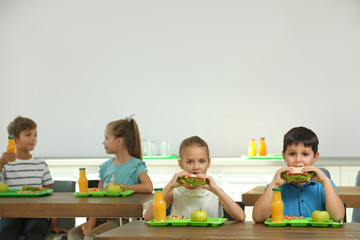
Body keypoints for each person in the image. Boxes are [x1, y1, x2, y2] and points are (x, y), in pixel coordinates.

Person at [68, 117, 153, 240]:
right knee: (73, 234)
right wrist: (92, 220)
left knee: (91, 237)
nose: (103, 142)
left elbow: (148, 187)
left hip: (122, 219)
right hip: (102, 216)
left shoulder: (135, 165)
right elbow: (98, 194)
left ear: (119, 141)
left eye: (107, 138)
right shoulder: (106, 166)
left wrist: (122, 187)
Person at [252, 126, 345, 223]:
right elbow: (258, 217)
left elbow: (338, 216)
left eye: (305, 154)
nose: (298, 160)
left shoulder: (324, 185)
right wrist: (274, 184)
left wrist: (325, 181)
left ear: (315, 157)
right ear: (284, 156)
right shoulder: (276, 186)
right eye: (292, 154)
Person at [144, 136, 245, 222]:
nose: (196, 167)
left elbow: (240, 217)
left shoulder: (215, 192)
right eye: (190, 162)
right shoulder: (174, 192)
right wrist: (169, 186)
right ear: (180, 163)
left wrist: (216, 189)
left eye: (202, 161)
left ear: (208, 162)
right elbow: (148, 217)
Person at [0, 116, 67, 240]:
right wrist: (1, 163)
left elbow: (49, 196)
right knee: (6, 231)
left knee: (34, 232)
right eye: (28, 135)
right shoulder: (5, 163)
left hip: (37, 214)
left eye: (35, 135)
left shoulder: (40, 163)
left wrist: (54, 224)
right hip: (11, 214)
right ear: (15, 139)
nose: (33, 139)